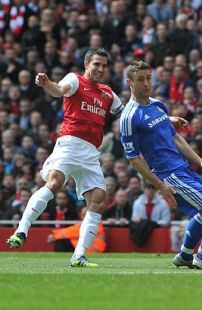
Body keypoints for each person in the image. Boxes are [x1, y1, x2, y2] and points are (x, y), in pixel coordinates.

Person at [6, 48, 125, 268]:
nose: (100, 69)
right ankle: (21, 231)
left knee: (98, 199)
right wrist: (47, 83)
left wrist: (162, 119)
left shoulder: (109, 93)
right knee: (54, 183)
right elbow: (59, 90)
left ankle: (79, 255)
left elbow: (126, 114)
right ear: (86, 64)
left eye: (104, 65)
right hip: (70, 144)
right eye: (96, 64)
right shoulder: (75, 80)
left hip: (91, 152)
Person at [120, 60, 202, 271]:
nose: (146, 83)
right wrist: (160, 185)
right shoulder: (129, 117)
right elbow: (134, 158)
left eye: (148, 78)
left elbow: (176, 139)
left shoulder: (157, 105)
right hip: (169, 175)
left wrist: (200, 161)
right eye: (140, 80)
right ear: (130, 83)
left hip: (184, 169)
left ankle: (185, 255)